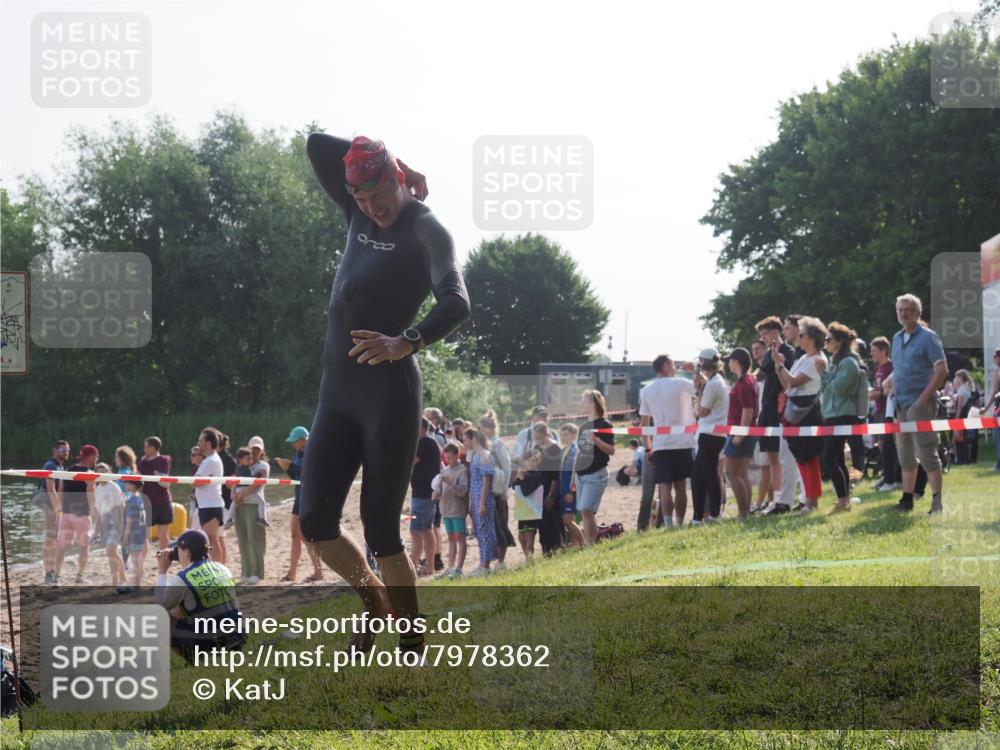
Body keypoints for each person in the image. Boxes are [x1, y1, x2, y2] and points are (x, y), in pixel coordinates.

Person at [301, 132, 470, 655]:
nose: (376, 211)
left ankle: (413, 645)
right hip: (338, 395)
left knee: (382, 532)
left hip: (389, 399)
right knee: (315, 522)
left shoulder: (425, 228)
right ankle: (373, 597)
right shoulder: (356, 212)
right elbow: (317, 145)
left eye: (383, 198)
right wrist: (400, 161)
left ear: (399, 185)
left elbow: (457, 301)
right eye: (364, 201)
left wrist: (407, 341)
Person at [891, 294, 949, 514]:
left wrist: (924, 398)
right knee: (904, 452)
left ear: (917, 313)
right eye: (900, 310)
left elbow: (942, 369)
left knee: (926, 451)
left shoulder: (928, 337)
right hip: (901, 403)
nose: (904, 313)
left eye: (908, 310)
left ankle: (937, 501)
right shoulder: (896, 338)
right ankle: (907, 499)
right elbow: (899, 369)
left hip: (920, 402)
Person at [155, 529, 246, 664]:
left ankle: (196, 659)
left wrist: (162, 571)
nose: (176, 553)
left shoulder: (183, 578)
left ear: (187, 552)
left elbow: (161, 604)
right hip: (239, 639)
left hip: (212, 645)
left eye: (178, 549)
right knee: (185, 606)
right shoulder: (222, 568)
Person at [775, 317, 829, 513]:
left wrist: (780, 366)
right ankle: (808, 501)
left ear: (813, 337)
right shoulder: (802, 358)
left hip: (808, 413)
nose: (799, 336)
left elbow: (795, 382)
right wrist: (778, 365)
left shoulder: (818, 360)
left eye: (803, 334)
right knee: (800, 458)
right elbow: (787, 384)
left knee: (810, 459)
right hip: (794, 412)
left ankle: (812, 503)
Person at [639, 355, 695, 527]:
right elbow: (703, 388)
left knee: (664, 486)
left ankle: (669, 524)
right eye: (672, 363)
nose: (675, 365)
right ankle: (679, 523)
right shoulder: (680, 384)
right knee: (680, 486)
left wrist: (649, 448)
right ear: (665, 366)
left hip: (661, 444)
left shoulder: (646, 390)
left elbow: (644, 424)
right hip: (683, 441)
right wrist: (693, 370)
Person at [820, 323, 865, 514]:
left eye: (828, 339)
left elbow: (839, 388)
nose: (826, 343)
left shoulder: (848, 362)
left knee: (829, 460)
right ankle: (844, 501)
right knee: (836, 459)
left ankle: (842, 500)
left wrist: (824, 373)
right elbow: (825, 388)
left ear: (840, 342)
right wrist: (826, 374)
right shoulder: (836, 361)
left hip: (843, 415)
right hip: (832, 414)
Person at [276, 426, 323, 583]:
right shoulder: (299, 453)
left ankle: (318, 571)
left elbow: (307, 473)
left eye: (295, 441)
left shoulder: (312, 452)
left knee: (307, 536)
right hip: (298, 497)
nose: (293, 444)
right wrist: (288, 468)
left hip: (308, 497)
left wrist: (289, 466)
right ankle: (292, 572)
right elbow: (297, 475)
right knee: (295, 535)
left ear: (303, 439)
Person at [691, 348, 729, 524]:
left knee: (709, 476)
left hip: (710, 434)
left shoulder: (714, 384)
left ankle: (713, 514)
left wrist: (698, 392)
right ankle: (699, 516)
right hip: (712, 433)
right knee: (700, 476)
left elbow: (702, 412)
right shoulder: (715, 381)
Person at [574, 390, 615, 544]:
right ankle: (590, 544)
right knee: (585, 511)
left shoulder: (605, 425)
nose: (581, 404)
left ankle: (590, 545)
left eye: (583, 401)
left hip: (596, 473)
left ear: (593, 404)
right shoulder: (583, 426)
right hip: (580, 475)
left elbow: (611, 450)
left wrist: (597, 441)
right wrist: (573, 475)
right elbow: (580, 451)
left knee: (586, 509)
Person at [722, 348, 759, 520]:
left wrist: (740, 435)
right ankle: (745, 512)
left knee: (733, 474)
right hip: (746, 431)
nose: (728, 363)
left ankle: (743, 513)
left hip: (740, 431)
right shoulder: (749, 380)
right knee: (742, 473)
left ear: (736, 362)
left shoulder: (744, 383)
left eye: (730, 360)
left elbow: (748, 410)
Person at [55, 444, 100, 583]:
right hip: (81, 514)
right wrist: (94, 509)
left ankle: (56, 575)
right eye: (96, 456)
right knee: (84, 546)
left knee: (63, 546)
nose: (97, 459)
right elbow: (90, 492)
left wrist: (59, 511)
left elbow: (60, 490)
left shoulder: (68, 470)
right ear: (91, 456)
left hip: (66, 514)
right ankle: (79, 576)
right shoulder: (89, 473)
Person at [477, 411, 514, 571]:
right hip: (488, 492)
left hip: (498, 492)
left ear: (489, 428)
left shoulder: (498, 445)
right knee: (491, 526)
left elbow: (506, 469)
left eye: (481, 427)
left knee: (500, 525)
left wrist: (504, 492)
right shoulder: (484, 445)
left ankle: (501, 561)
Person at [233, 437, 268, 584]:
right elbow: (233, 483)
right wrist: (234, 496)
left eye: (258, 449)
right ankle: (246, 572)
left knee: (255, 539)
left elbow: (256, 486)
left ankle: (258, 574)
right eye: (252, 449)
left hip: (253, 505)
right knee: (242, 540)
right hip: (240, 505)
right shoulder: (241, 466)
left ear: (261, 451)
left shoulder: (263, 466)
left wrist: (240, 494)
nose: (254, 452)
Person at [410, 418, 442, 576]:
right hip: (426, 493)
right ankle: (430, 567)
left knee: (416, 532)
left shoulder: (424, 443)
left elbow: (410, 461)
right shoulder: (431, 442)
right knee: (427, 530)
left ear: (420, 427)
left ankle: (412, 568)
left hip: (422, 494)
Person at [35, 440, 69, 584]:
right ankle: (48, 572)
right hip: (49, 504)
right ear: (55, 450)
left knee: (54, 539)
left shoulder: (59, 466)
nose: (66, 452)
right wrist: (57, 511)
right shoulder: (50, 465)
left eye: (67, 450)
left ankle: (52, 570)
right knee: (50, 538)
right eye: (63, 450)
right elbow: (50, 489)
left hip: (53, 504)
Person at [464, 428, 496, 576]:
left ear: (473, 439)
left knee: (485, 531)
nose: (464, 443)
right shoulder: (476, 455)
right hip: (476, 498)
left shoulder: (484, 455)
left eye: (465, 439)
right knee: (479, 531)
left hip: (484, 499)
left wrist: (482, 503)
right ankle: (482, 563)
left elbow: (486, 480)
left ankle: (486, 566)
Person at [434, 443, 469, 579]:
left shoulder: (462, 470)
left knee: (460, 537)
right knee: (450, 538)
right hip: (446, 509)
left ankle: (459, 568)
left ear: (457, 455)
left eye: (450, 457)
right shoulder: (445, 470)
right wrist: (436, 493)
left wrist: (451, 484)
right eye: (446, 458)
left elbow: (463, 491)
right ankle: (450, 567)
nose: (448, 460)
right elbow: (440, 490)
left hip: (458, 509)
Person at [869, 337, 899, 491]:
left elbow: (890, 390)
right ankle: (887, 474)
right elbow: (879, 388)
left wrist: (877, 394)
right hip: (880, 410)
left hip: (889, 410)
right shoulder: (879, 369)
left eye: (874, 350)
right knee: (882, 444)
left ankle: (891, 477)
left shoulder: (890, 367)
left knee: (887, 444)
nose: (871, 354)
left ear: (883, 351)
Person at [193, 427, 227, 563]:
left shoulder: (210, 461)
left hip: (211, 505)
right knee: (214, 539)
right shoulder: (209, 460)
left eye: (201, 441)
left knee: (211, 540)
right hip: (209, 504)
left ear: (208, 443)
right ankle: (220, 569)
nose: (199, 443)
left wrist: (196, 481)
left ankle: (218, 569)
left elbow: (194, 482)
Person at [138, 437, 174, 554]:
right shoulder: (144, 462)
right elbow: (137, 479)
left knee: (161, 535)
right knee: (146, 535)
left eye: (146, 447)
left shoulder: (164, 459)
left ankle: (162, 558)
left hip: (160, 501)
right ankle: (142, 563)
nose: (144, 449)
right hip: (150, 501)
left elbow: (163, 479)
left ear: (152, 448)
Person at [94, 462, 126, 587]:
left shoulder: (113, 487)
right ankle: (115, 580)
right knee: (110, 553)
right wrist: (96, 529)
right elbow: (99, 511)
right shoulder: (98, 488)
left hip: (116, 523)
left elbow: (122, 507)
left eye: (104, 471)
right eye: (98, 472)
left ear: (108, 473)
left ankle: (122, 578)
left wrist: (122, 526)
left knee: (111, 550)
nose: (101, 474)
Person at [512, 448, 545, 560]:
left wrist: (522, 478)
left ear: (538, 461)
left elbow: (526, 491)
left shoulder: (538, 474)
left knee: (529, 536)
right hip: (523, 510)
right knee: (521, 537)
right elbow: (514, 487)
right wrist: (519, 477)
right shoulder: (526, 473)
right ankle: (528, 557)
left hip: (531, 510)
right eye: (529, 461)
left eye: (534, 460)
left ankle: (529, 560)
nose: (531, 463)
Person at [555, 424, 582, 551]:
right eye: (561, 434)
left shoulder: (576, 451)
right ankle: (575, 545)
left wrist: (572, 491)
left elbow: (575, 473)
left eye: (565, 434)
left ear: (573, 435)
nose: (562, 437)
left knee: (568, 520)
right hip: (562, 490)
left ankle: (584, 543)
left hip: (570, 490)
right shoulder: (563, 450)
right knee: (568, 520)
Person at [510, 406, 557, 470]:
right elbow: (515, 458)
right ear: (532, 418)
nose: (542, 419)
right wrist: (528, 467)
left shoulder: (554, 434)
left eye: (544, 417)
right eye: (539, 416)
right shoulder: (524, 434)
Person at [121, 480, 148, 590]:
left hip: (133, 533)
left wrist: (125, 537)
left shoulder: (131, 501)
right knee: (138, 556)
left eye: (127, 483)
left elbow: (130, 520)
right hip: (141, 532)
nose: (124, 484)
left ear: (132, 485)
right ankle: (140, 575)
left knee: (135, 557)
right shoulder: (139, 498)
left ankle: (137, 584)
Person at [951, 370, 975, 465]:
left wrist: (956, 418)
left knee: (959, 439)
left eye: (957, 377)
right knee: (963, 438)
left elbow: (960, 406)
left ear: (960, 378)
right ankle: (965, 459)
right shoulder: (966, 389)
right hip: (966, 416)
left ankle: (961, 459)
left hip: (961, 416)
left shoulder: (961, 390)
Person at [218, 434, 238, 530]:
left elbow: (232, 484)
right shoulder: (226, 458)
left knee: (219, 534)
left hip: (224, 500)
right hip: (223, 499)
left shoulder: (227, 459)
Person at [989, 348, 1000, 471]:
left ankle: (999, 464)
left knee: (998, 437)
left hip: (999, 408)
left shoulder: (997, 371)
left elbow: (994, 392)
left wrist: (985, 407)